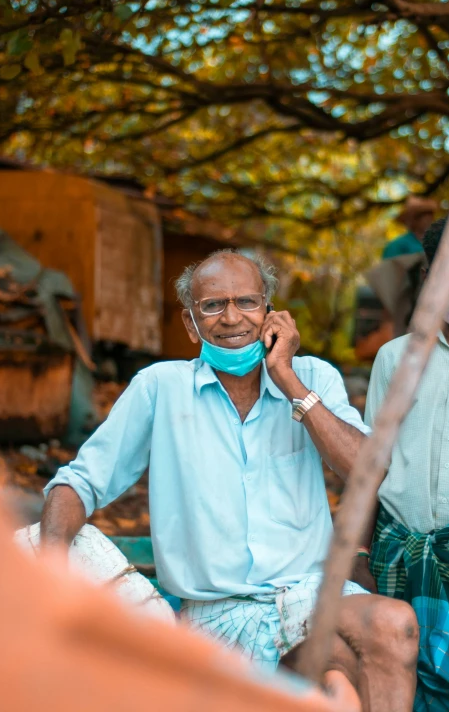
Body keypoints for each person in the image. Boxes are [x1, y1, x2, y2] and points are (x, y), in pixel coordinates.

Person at [40, 249, 418, 710]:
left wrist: (289, 381)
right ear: (189, 322)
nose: (232, 317)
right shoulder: (160, 387)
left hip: (311, 596)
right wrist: (50, 568)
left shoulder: (313, 376)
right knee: (343, 676)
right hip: (219, 614)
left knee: (395, 626)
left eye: (247, 302)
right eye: (213, 305)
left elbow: (367, 470)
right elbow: (78, 482)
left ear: (271, 311)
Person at [364, 219, 449, 712]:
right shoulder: (392, 359)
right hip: (398, 552)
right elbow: (370, 465)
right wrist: (361, 555)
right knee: (400, 682)